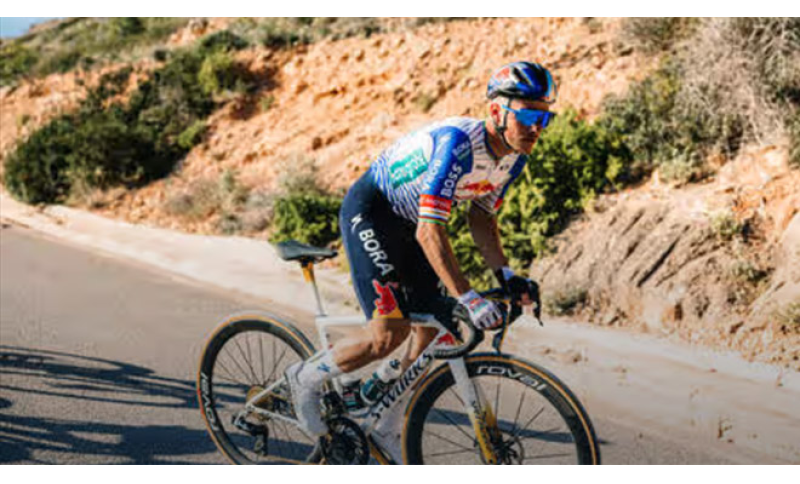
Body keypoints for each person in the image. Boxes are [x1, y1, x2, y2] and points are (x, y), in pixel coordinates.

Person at [286, 61, 554, 443]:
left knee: (433, 333)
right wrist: (469, 297)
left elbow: (481, 218)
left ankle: (384, 429)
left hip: (413, 225)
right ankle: (304, 379)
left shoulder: (514, 157)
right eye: (528, 116)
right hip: (374, 213)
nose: (536, 128)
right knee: (387, 336)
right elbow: (430, 232)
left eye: (545, 118)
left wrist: (507, 276)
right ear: (497, 111)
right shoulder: (458, 145)